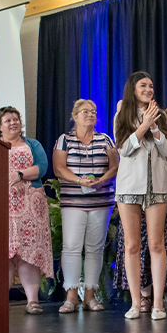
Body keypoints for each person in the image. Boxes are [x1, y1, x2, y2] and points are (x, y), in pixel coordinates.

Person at [115, 98, 167, 313]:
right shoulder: (124, 116)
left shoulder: (162, 117)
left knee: (157, 245)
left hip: (158, 187)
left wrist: (154, 125)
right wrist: (143, 124)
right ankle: (136, 303)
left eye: (150, 86)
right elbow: (124, 149)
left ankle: (157, 303)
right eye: (142, 86)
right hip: (130, 187)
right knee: (132, 245)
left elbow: (166, 150)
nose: (148, 90)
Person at [52, 99, 119, 313]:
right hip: (73, 201)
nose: (90, 115)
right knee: (71, 247)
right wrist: (79, 180)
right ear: (74, 116)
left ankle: (90, 295)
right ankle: (71, 296)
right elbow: (59, 168)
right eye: (85, 111)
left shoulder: (105, 139)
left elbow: (116, 166)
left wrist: (102, 181)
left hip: (101, 201)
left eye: (94, 112)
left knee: (95, 248)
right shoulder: (65, 140)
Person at [0, 106, 53, 315]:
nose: (13, 123)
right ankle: (2, 301)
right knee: (5, 255)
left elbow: (42, 167)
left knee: (29, 253)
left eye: (16, 119)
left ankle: (32, 301)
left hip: (31, 206)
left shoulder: (32, 144)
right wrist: (8, 178)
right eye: (8, 120)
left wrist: (19, 175)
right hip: (3, 207)